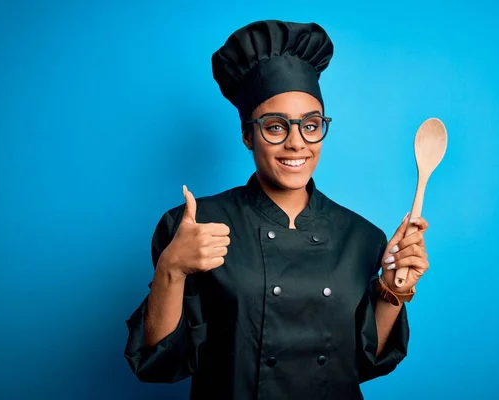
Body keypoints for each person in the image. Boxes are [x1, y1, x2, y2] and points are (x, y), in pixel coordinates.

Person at [124, 20, 430, 400]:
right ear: (248, 134)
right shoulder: (195, 227)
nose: (296, 143)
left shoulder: (363, 237)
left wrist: (393, 289)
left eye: (311, 125)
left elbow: (362, 364)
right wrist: (172, 268)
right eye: (275, 127)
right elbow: (160, 362)